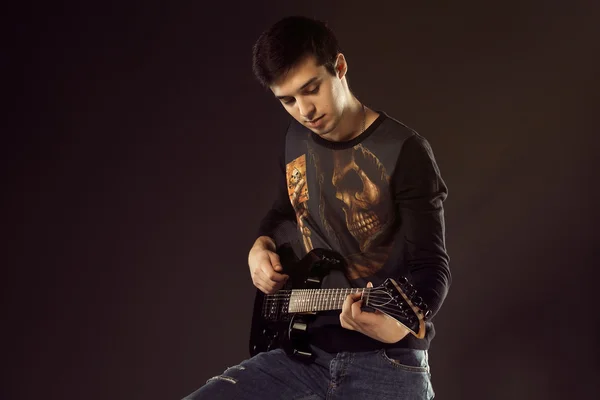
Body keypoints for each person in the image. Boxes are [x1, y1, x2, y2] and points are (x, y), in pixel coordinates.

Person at [183, 15, 450, 400]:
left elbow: (432, 267)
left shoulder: (405, 151)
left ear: (339, 67)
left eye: (312, 89)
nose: (304, 110)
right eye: (287, 100)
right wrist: (261, 246)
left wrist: (403, 321)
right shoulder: (296, 139)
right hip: (300, 357)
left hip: (386, 364)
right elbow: (283, 213)